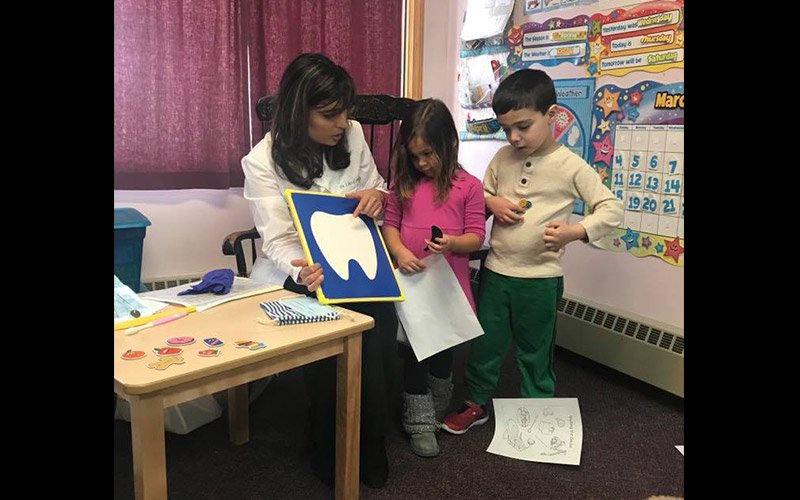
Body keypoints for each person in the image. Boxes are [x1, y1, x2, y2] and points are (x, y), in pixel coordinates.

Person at [241, 53, 396, 488]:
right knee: (329, 339)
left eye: (345, 111)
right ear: (297, 110)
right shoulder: (261, 161)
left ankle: (370, 441)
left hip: (361, 260)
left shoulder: (354, 135)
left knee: (378, 330)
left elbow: (378, 187)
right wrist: (302, 268)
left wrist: (375, 197)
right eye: (330, 114)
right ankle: (326, 442)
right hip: (306, 271)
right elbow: (276, 239)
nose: (343, 123)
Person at [441, 69, 624, 434]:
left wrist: (575, 230)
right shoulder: (502, 158)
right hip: (496, 272)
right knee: (486, 343)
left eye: (523, 126)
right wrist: (492, 201)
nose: (514, 137)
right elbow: (478, 196)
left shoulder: (570, 165)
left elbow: (612, 209)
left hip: (540, 279)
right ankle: (475, 402)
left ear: (551, 115)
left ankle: (536, 412)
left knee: (535, 350)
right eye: (506, 128)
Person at [381, 99, 485, 456]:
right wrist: (399, 252)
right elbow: (389, 226)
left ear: (449, 144)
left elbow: (476, 236)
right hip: (413, 285)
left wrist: (453, 243)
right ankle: (419, 420)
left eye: (428, 154)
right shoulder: (403, 183)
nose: (422, 163)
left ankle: (438, 405)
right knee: (414, 353)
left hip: (448, 287)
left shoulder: (469, 186)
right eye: (415, 155)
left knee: (443, 354)